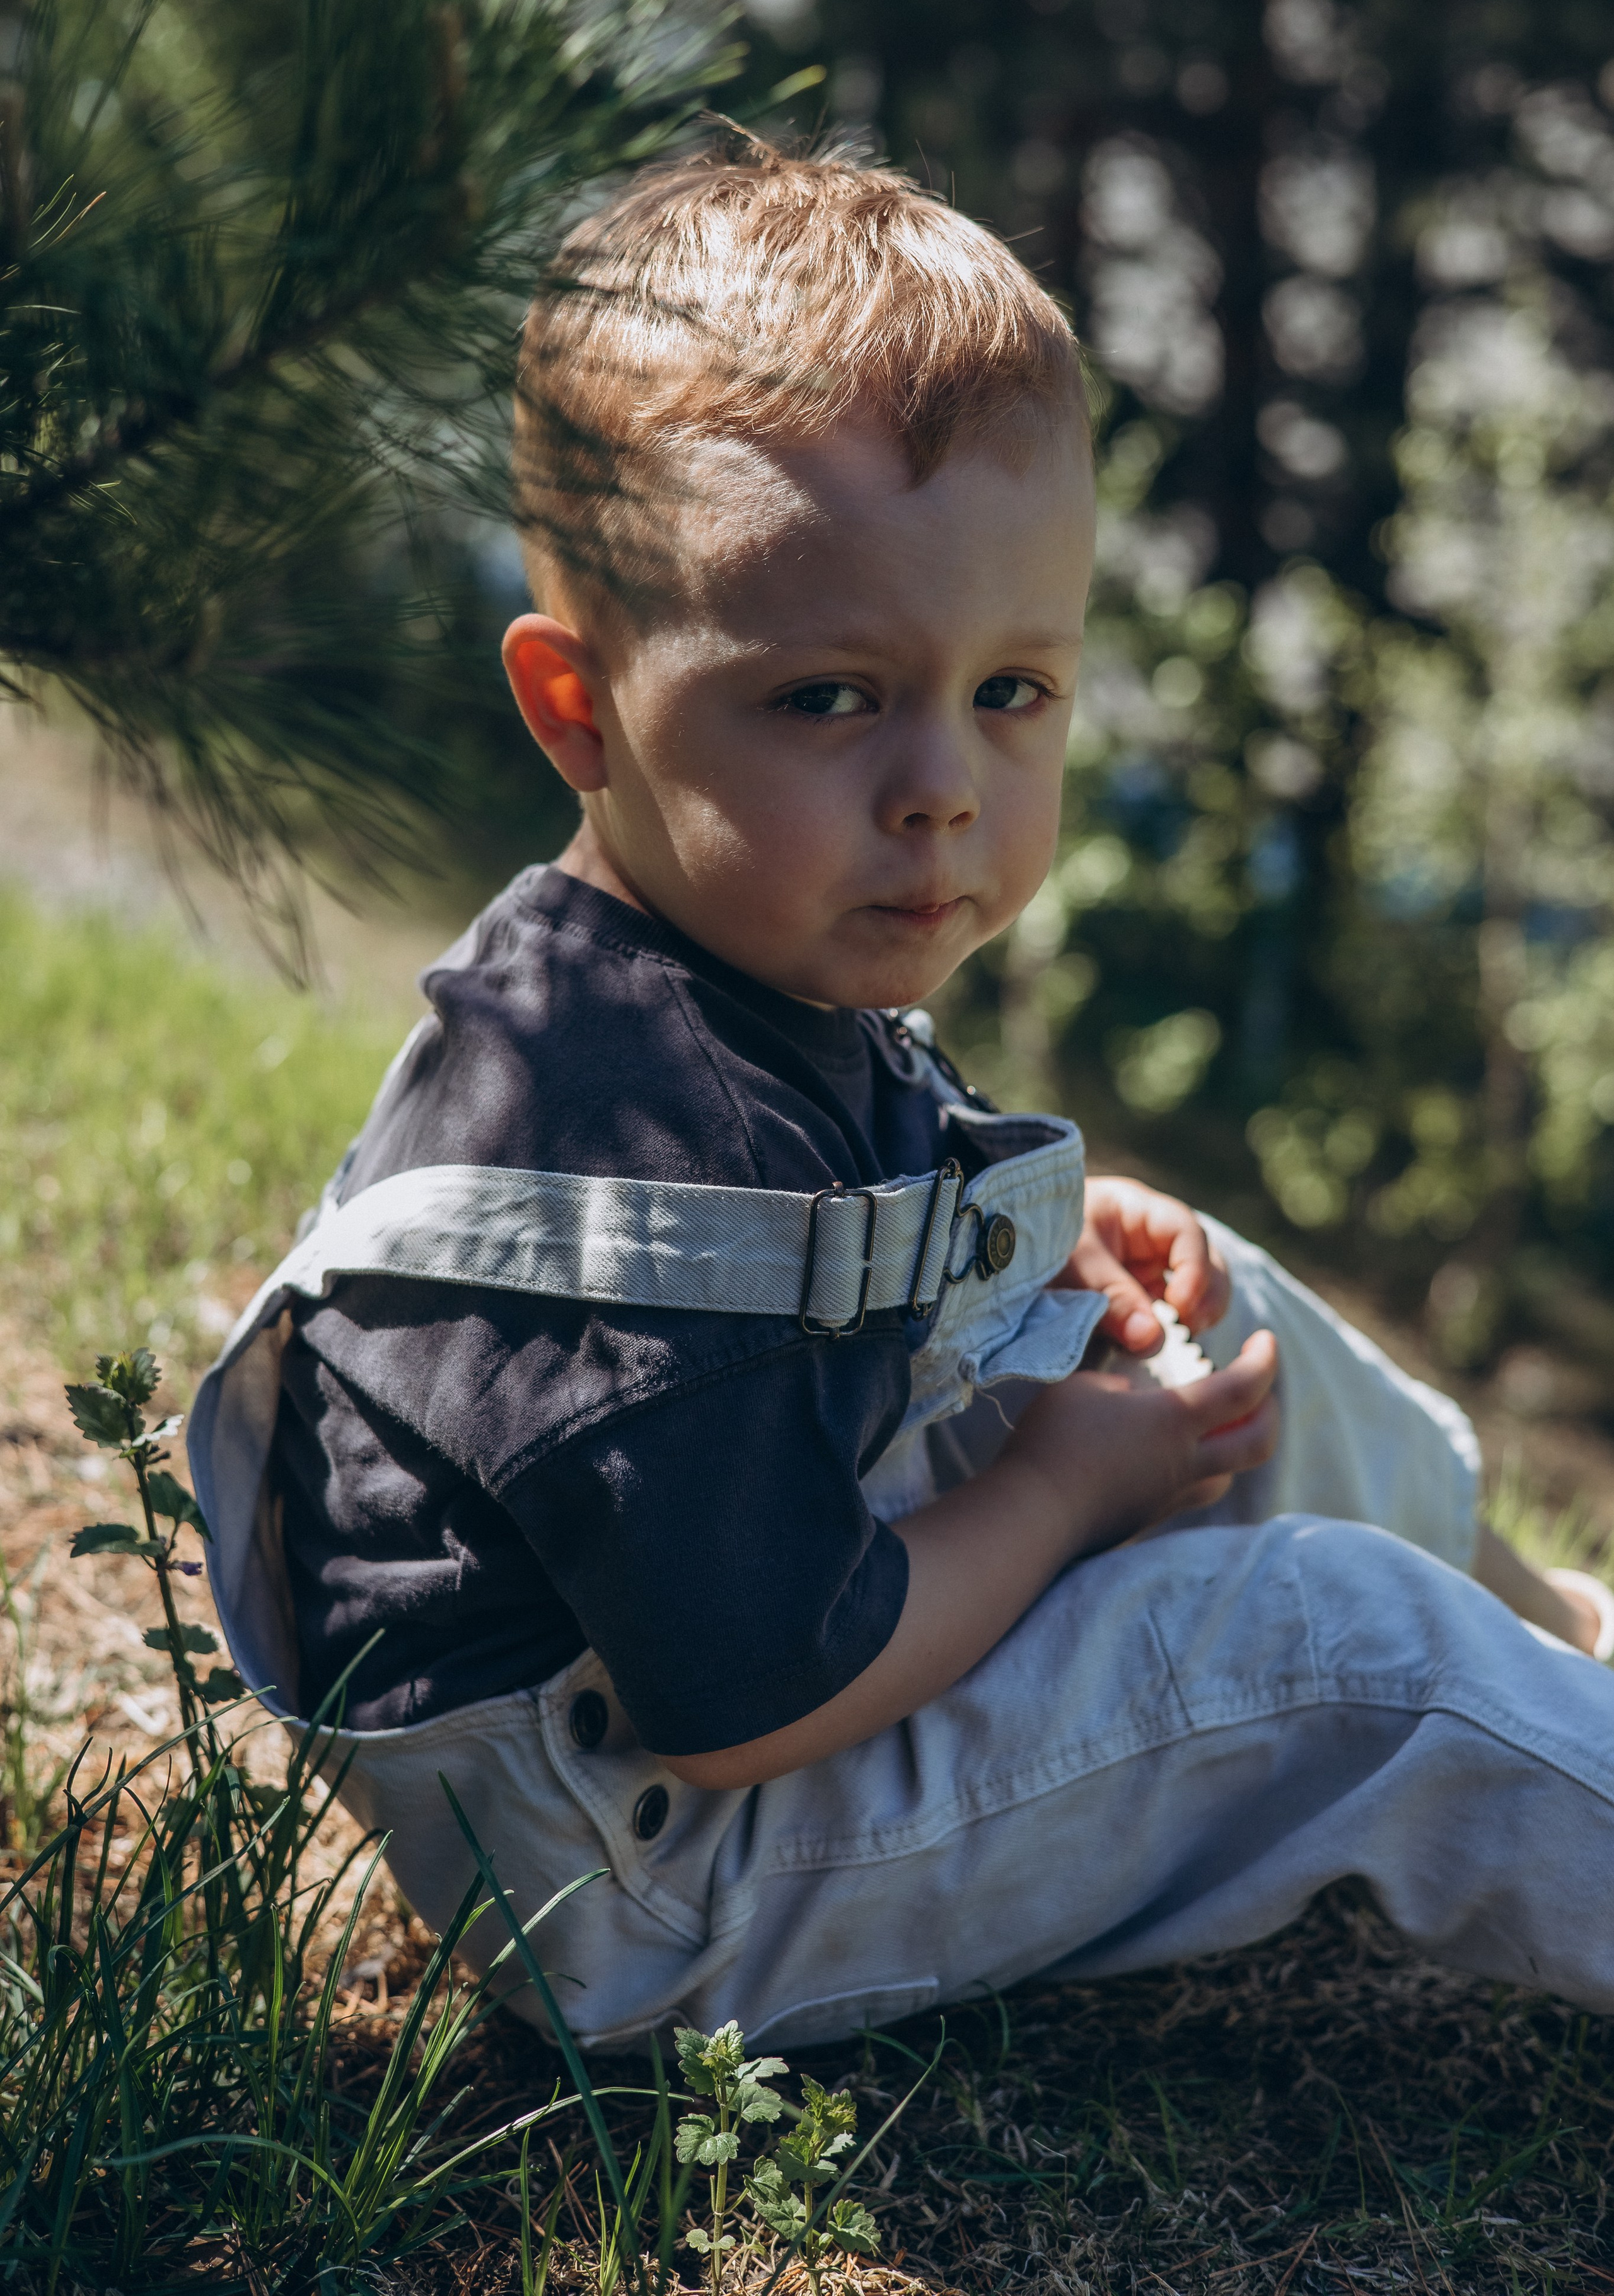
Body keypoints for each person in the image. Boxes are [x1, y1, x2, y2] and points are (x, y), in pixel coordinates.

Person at [190, 136, 1614, 2049]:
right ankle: (1509, 1705)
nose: (942, 784)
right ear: (577, 709)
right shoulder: (605, 1133)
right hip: (658, 1872)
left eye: (1013, 692)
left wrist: (985, 1253)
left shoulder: (712, 965)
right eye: (831, 698)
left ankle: (1578, 1638)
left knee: (1201, 1312)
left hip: (725, 1698)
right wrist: (1060, 1487)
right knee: (1336, 1649)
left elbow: (813, 1253)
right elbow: (757, 1685)